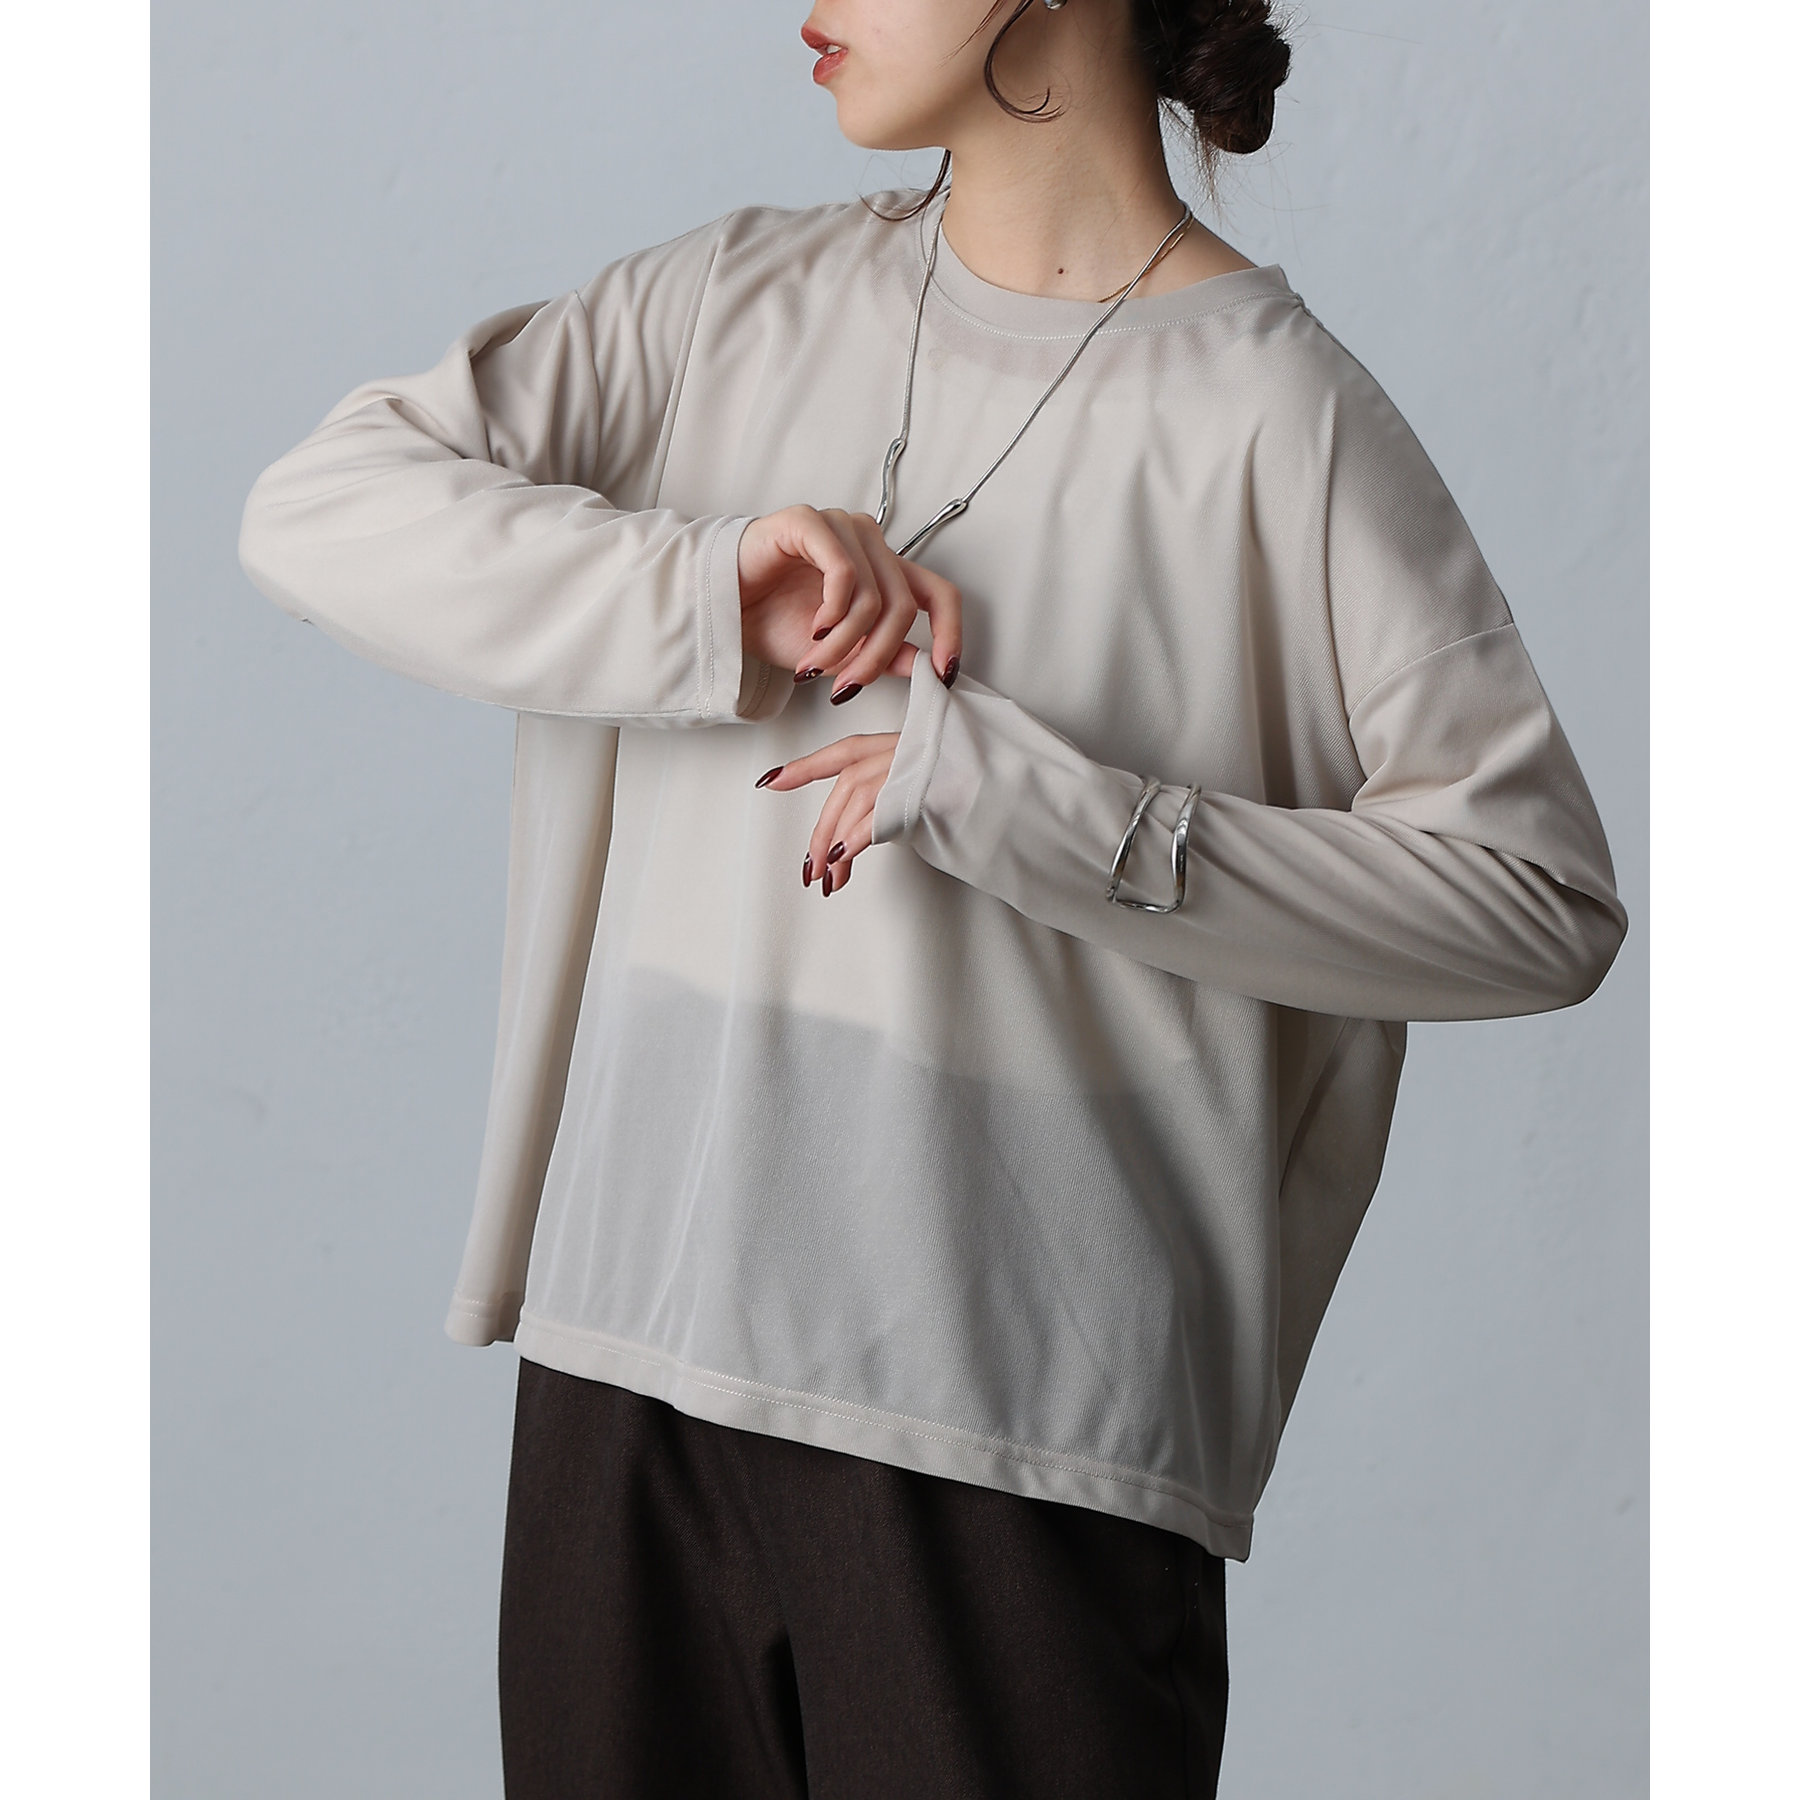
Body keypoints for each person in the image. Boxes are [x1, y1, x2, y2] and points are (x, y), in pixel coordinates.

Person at [238, 2, 1628, 1794]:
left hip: (1013, 1428)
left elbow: (1535, 897)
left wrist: (1032, 807)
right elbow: (316, 510)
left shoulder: (1280, 417)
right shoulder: (721, 303)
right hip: (624, 1368)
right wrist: (705, 591)